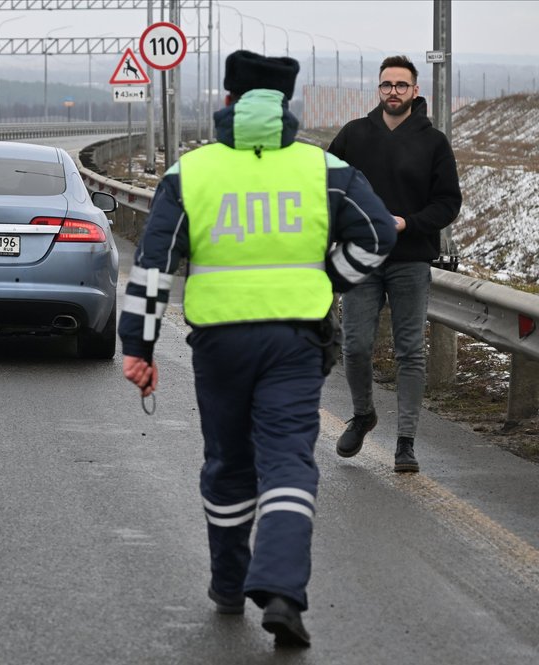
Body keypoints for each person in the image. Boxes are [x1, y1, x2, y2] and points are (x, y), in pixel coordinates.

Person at [119, 50, 397, 648]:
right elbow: (376, 237)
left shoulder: (191, 173)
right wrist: (330, 278)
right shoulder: (325, 168)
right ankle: (281, 591)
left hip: (219, 345)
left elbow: (152, 267)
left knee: (228, 463)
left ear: (228, 103)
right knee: (289, 462)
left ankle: (227, 583)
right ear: (284, 107)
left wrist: (138, 347)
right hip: (295, 342)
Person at [328, 55, 462, 473]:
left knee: (409, 352)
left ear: (415, 91)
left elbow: (448, 203)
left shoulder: (433, 141)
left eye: (401, 86)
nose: (393, 92)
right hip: (361, 257)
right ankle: (363, 413)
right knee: (355, 345)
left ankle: (405, 441)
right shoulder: (354, 135)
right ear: (378, 89)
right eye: (387, 85)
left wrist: (409, 222)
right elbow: (327, 189)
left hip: (410, 260)